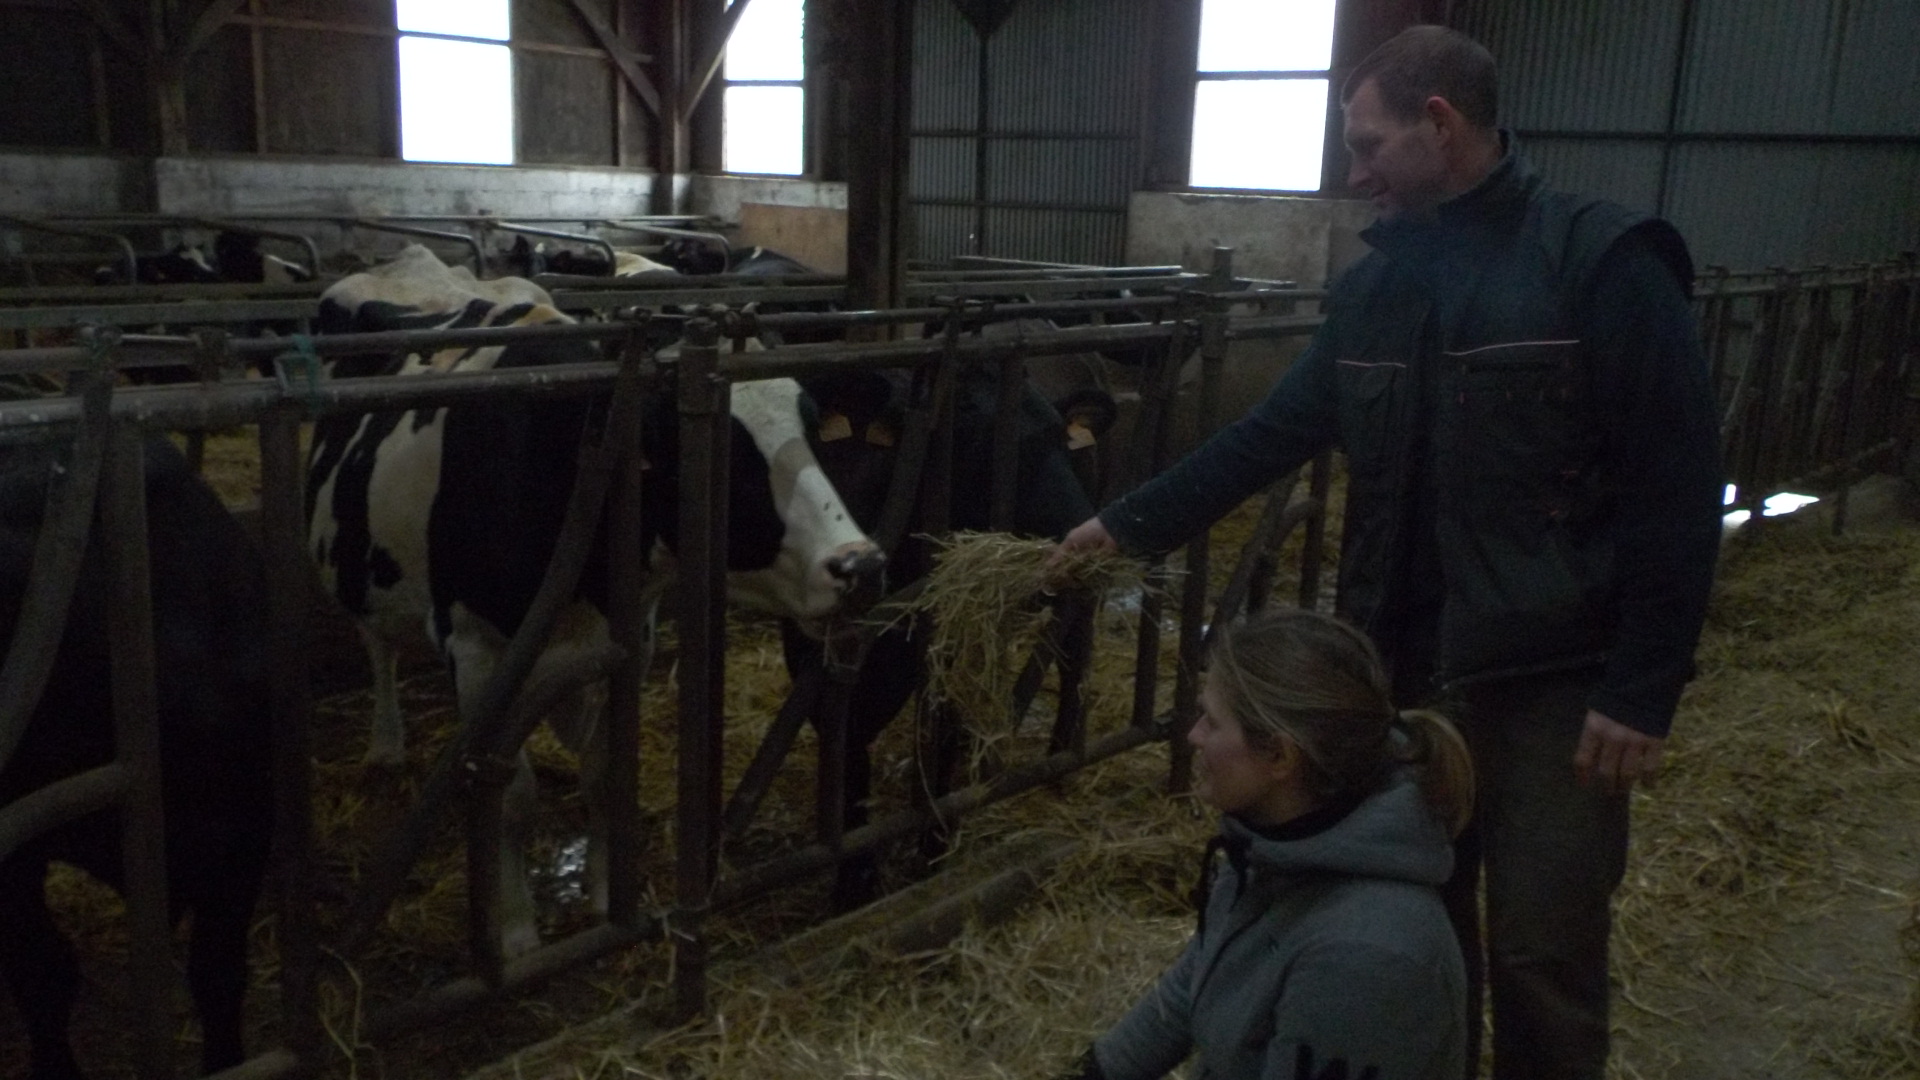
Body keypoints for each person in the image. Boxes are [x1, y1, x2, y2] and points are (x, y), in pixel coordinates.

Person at [1055, 25, 1723, 1079]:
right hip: (1403, 677)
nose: (1356, 172)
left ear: (1441, 124)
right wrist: (1127, 525)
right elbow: (1273, 432)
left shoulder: (1600, 260)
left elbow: (1679, 484)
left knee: (1544, 949)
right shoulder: (1378, 288)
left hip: (1550, 681)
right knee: (1421, 927)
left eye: (1368, 145)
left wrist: (1642, 686)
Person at [1067, 607, 1473, 1080]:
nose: (1194, 735)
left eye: (1213, 722)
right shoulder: (1276, 839)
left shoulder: (1367, 959)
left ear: (1280, 756)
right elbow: (1199, 978)